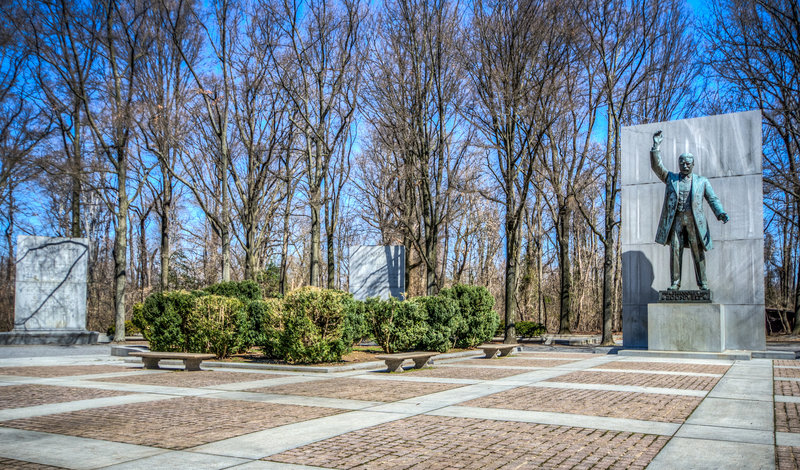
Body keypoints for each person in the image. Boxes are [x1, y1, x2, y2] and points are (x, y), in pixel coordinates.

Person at [650, 130, 728, 291]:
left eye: (688, 163)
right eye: (682, 163)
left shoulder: (702, 181)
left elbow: (712, 198)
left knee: (697, 250)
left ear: (693, 164)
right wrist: (656, 147)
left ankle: (703, 283)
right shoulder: (671, 178)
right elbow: (657, 167)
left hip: (694, 221)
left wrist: (720, 212)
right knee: (675, 251)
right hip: (676, 220)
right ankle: (675, 283)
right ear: (679, 164)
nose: (685, 165)